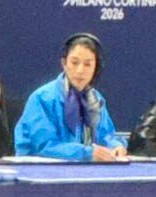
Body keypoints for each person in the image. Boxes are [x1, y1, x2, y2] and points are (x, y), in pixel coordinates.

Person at [14, 33, 126, 162]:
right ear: (64, 63)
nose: (80, 70)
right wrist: (87, 153)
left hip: (84, 170)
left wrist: (116, 146)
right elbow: (44, 146)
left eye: (87, 64)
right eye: (74, 62)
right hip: (39, 170)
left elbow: (106, 135)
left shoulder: (96, 99)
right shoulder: (42, 98)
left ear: (96, 67)